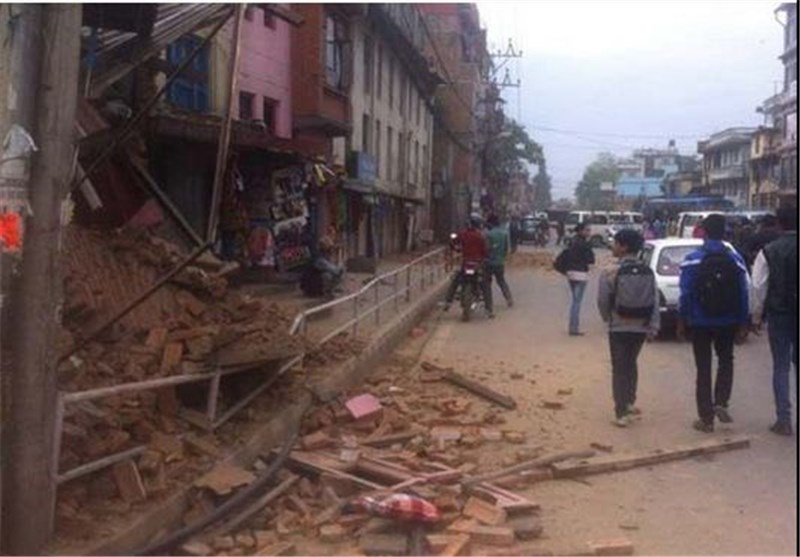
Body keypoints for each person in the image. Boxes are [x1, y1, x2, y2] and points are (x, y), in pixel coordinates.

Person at [678, 214, 750, 433]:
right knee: (726, 360)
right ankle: (721, 401)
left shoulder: (693, 259)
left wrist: (682, 320)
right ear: (725, 232)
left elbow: (686, 293)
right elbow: (743, 292)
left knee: (703, 366)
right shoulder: (735, 259)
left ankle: (706, 419)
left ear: (704, 232)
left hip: (700, 321)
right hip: (728, 320)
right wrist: (743, 322)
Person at [597, 229, 660, 427]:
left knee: (619, 367)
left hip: (618, 326)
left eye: (615, 243)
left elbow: (602, 300)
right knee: (631, 363)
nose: (613, 246)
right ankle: (630, 401)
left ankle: (621, 412)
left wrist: (608, 318)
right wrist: (653, 327)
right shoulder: (648, 271)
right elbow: (655, 301)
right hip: (640, 327)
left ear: (623, 247)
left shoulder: (609, 272)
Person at [751, 206, 797, 436]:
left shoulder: (768, 252)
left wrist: (756, 317)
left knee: (781, 366)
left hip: (779, 314)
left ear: (779, 223)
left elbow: (758, 287)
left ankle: (784, 420)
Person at [444, 214, 493, 317]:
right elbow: (486, 250)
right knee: (485, 284)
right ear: (478, 225)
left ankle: (447, 302)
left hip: (466, 263)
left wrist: (456, 248)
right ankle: (489, 309)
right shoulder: (481, 236)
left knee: (455, 281)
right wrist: (486, 257)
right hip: (477, 263)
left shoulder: (463, 234)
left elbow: (453, 241)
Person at [564, 222, 595, 336]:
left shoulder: (571, 241)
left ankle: (573, 327)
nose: (589, 232)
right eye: (587, 230)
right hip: (580, 274)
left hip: (570, 273)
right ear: (581, 231)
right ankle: (574, 328)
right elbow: (591, 260)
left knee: (575, 300)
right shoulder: (585, 244)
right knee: (577, 302)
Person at [485, 214, 514, 309]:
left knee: (486, 283)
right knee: (501, 281)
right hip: (500, 262)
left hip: (489, 263)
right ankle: (509, 298)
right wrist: (501, 258)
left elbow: (486, 249)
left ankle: (489, 304)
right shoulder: (504, 234)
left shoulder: (489, 234)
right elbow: (506, 249)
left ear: (490, 223)